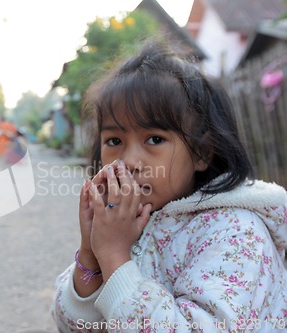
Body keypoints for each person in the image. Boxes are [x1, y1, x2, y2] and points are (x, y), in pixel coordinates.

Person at [52, 43, 287, 332]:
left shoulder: (236, 232)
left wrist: (114, 257)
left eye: (154, 139)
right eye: (114, 141)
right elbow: (71, 325)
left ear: (202, 153)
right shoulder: (127, 224)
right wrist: (91, 254)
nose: (129, 161)